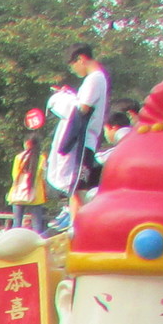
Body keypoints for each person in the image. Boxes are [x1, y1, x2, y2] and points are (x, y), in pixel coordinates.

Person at [49, 45, 109, 208]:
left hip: (82, 143)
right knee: (77, 191)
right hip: (85, 142)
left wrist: (62, 100)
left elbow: (82, 109)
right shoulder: (98, 78)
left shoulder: (94, 78)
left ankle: (78, 229)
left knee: (76, 189)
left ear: (81, 59)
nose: (73, 70)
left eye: (72, 65)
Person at [8, 136, 48, 230]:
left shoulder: (19, 157)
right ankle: (37, 244)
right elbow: (44, 176)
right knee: (37, 225)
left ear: (26, 144)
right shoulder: (42, 158)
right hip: (36, 194)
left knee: (17, 223)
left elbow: (14, 175)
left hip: (19, 193)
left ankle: (16, 242)